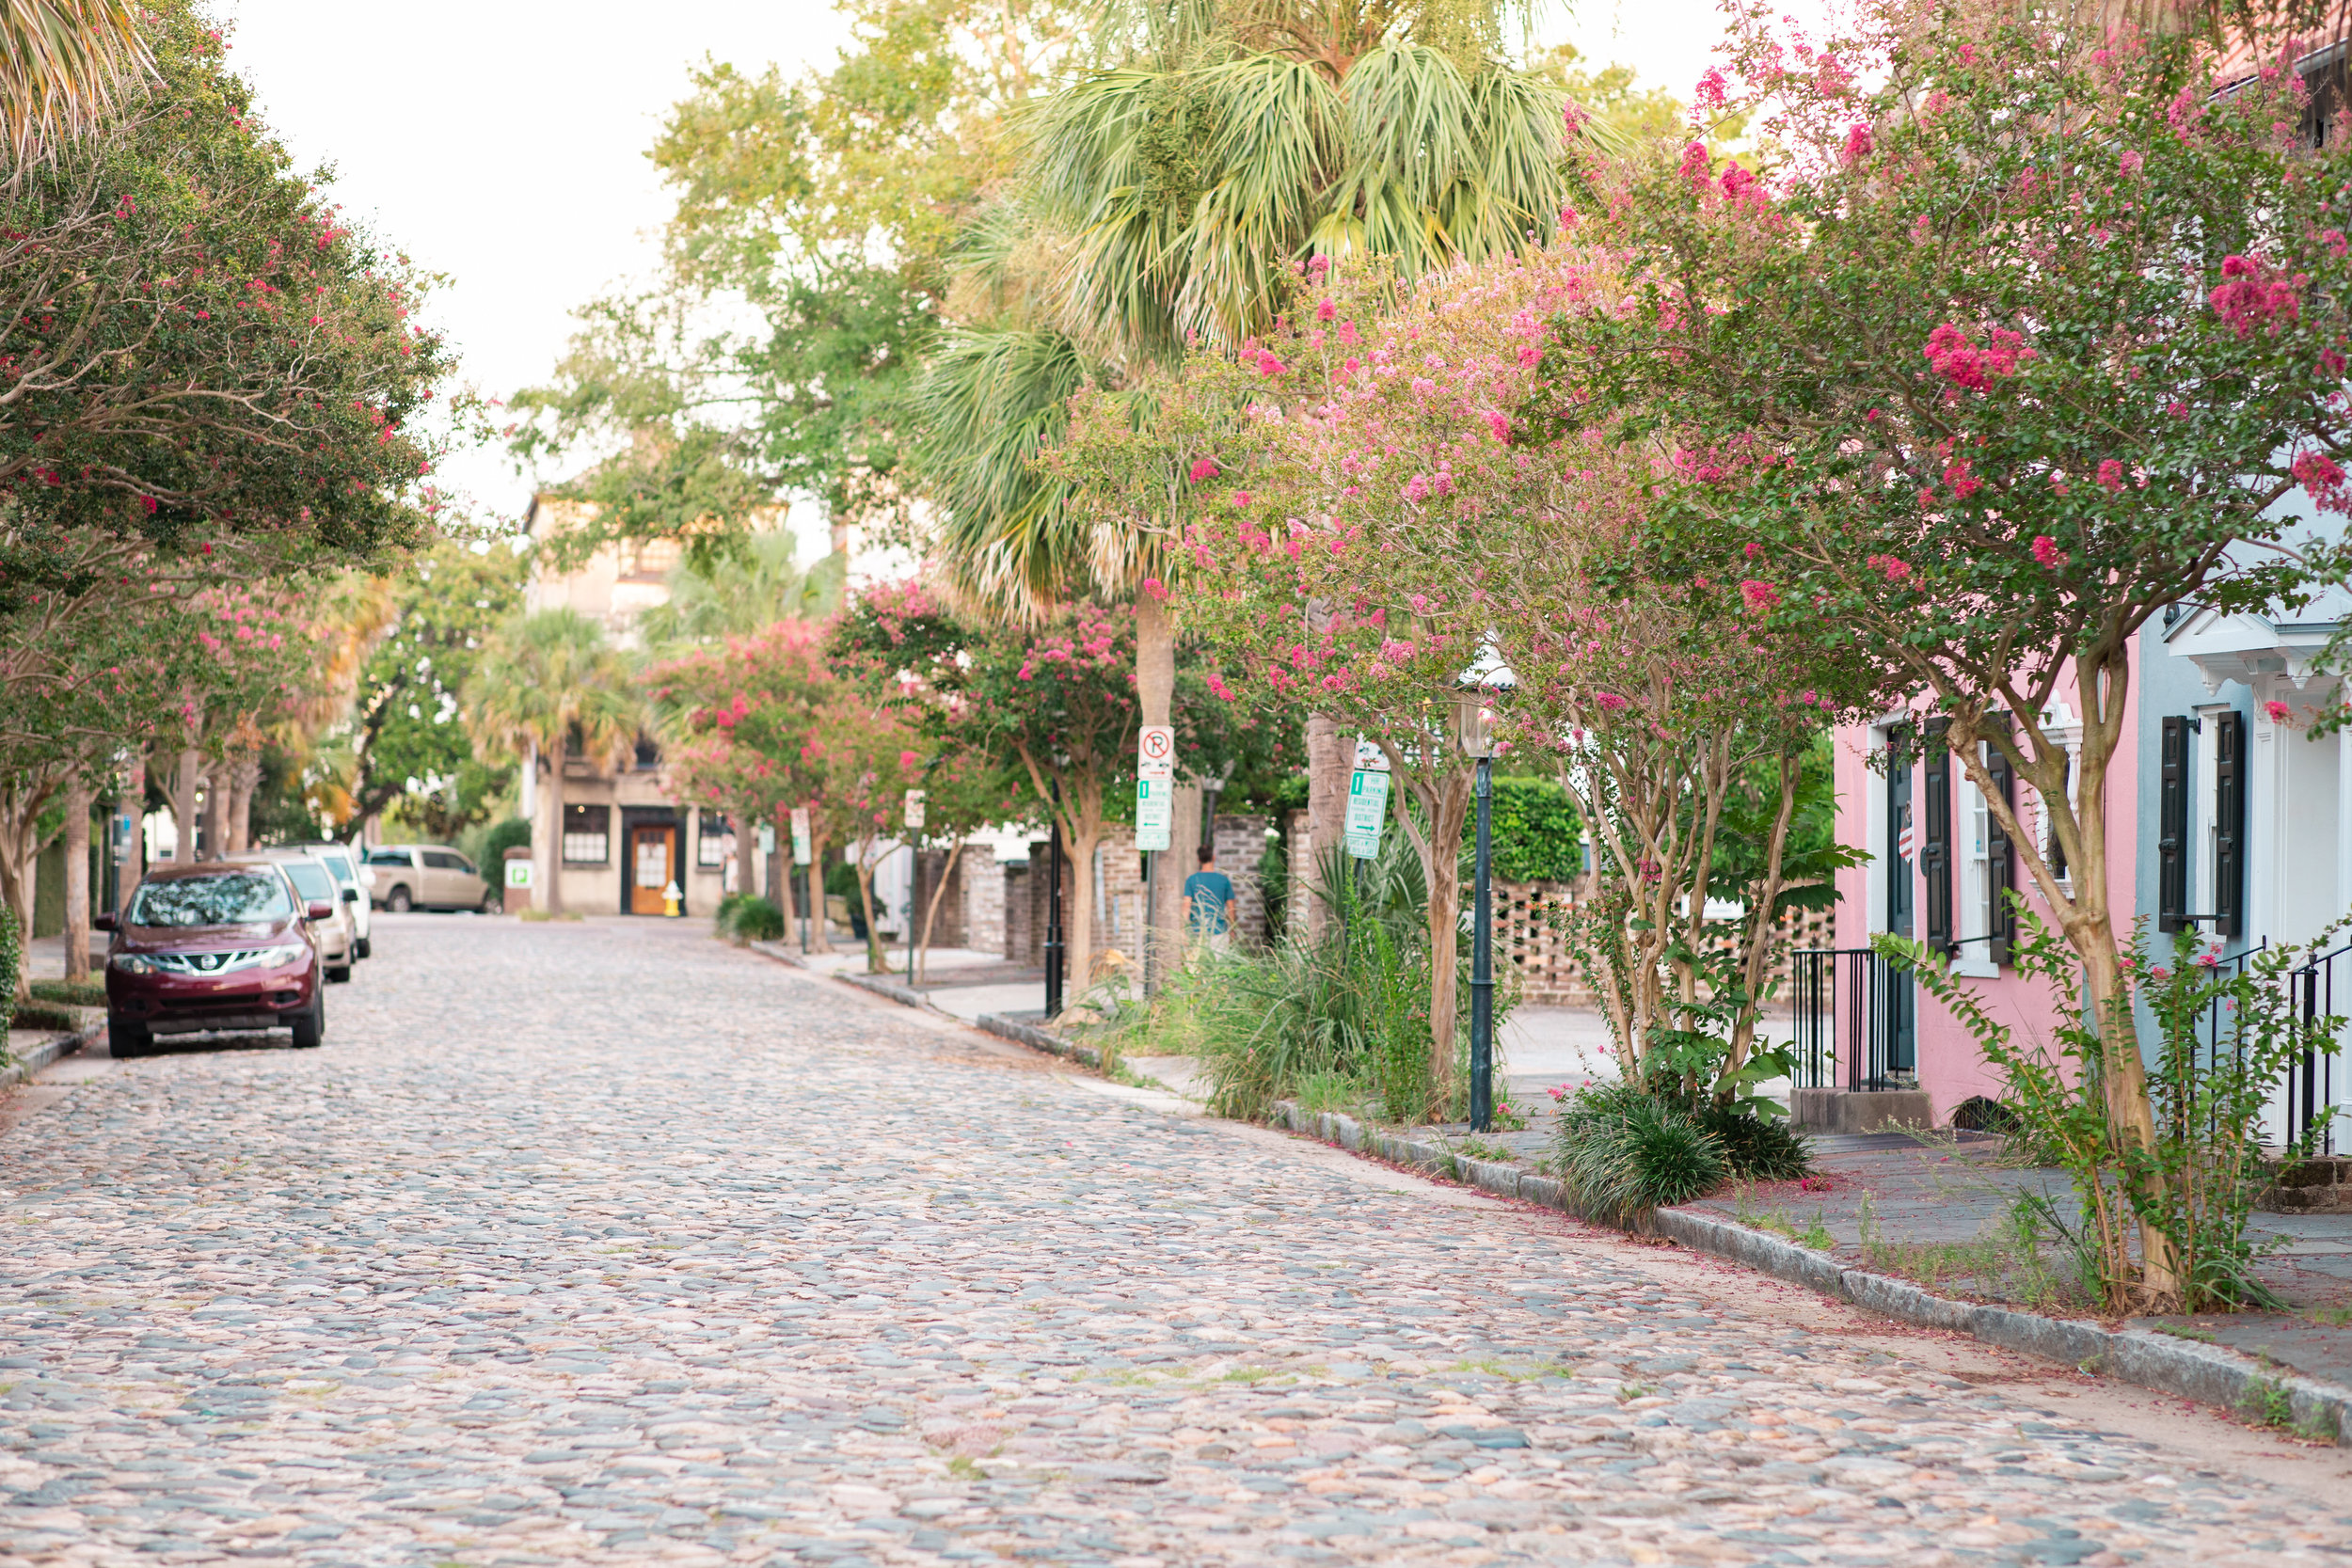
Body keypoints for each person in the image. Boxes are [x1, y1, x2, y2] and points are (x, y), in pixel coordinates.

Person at [1182, 845, 1237, 954]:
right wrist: (1232, 930)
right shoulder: (1223, 880)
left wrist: (1183, 932)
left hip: (1197, 932)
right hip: (1219, 932)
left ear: (1198, 860)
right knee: (1220, 968)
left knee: (1198, 968)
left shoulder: (1191, 880)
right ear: (1214, 857)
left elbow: (1186, 906)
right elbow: (1231, 909)